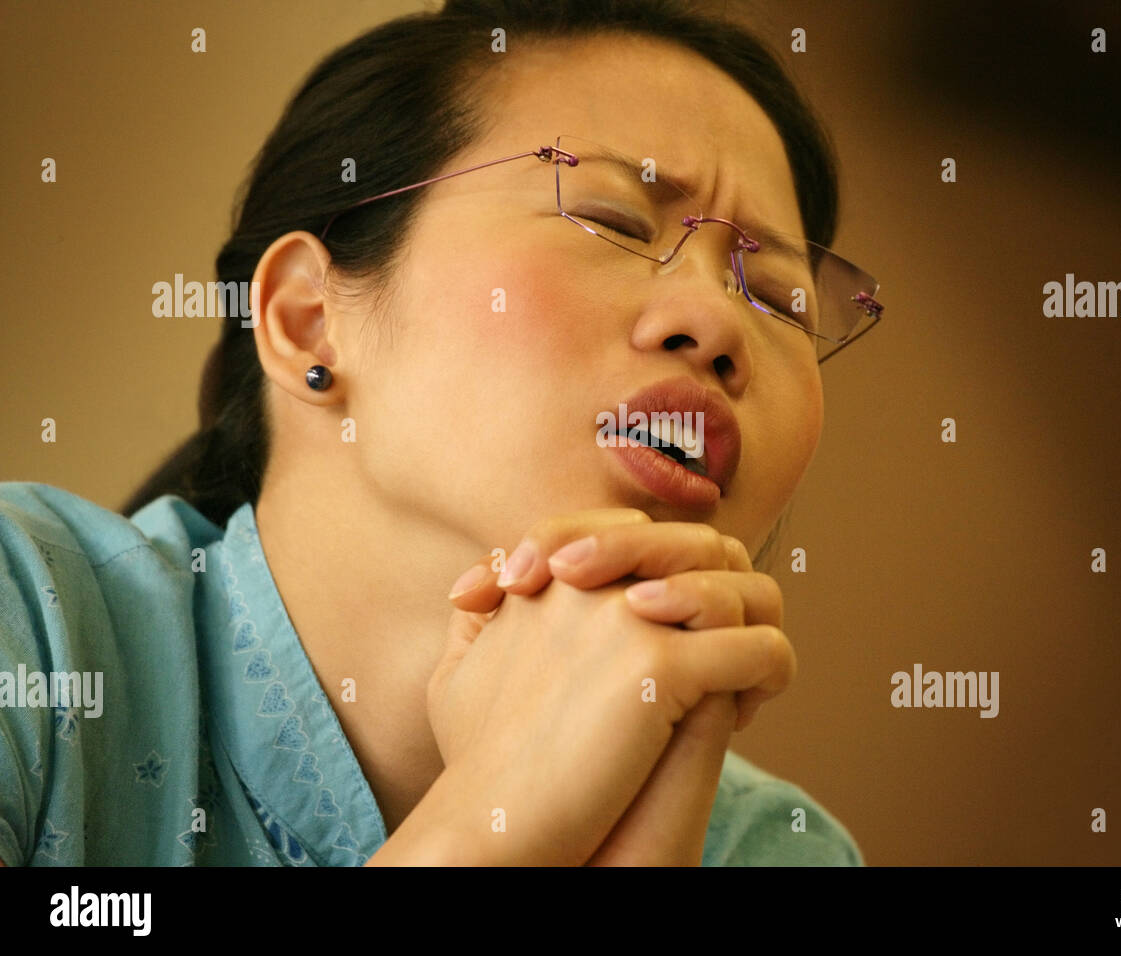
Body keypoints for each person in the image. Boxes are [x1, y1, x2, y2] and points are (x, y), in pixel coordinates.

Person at [0, 0, 881, 866]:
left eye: (778, 297)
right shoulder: (28, 622)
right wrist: (489, 824)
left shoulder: (773, 852)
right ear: (308, 320)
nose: (719, 324)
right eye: (613, 221)